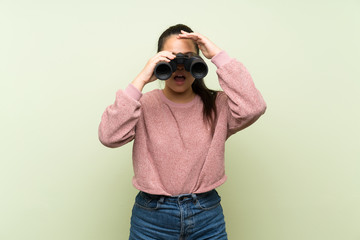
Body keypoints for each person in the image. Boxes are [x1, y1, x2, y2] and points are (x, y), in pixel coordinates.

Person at [98, 24, 267, 240]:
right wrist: (140, 79)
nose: (180, 66)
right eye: (171, 58)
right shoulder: (142, 106)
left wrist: (217, 55)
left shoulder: (218, 106)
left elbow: (254, 106)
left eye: (188, 59)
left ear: (198, 63)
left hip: (206, 214)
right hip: (151, 218)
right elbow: (108, 136)